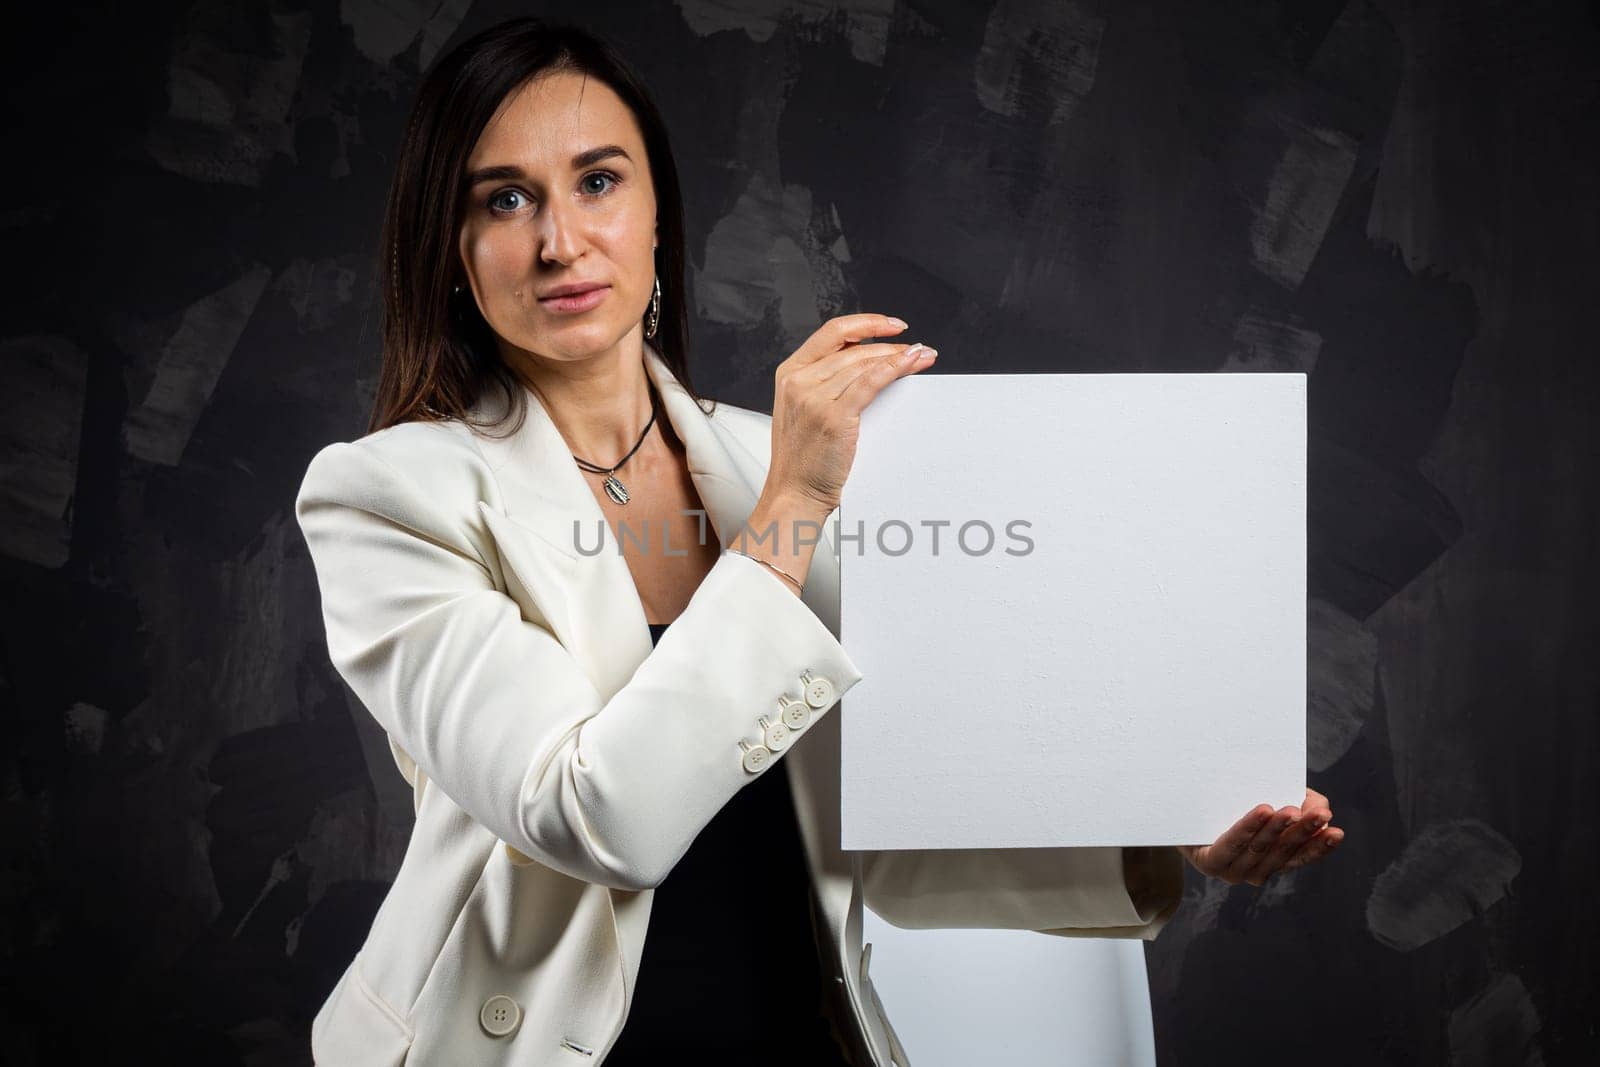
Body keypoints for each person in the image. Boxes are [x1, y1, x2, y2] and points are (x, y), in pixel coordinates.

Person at [294, 17, 1345, 1066]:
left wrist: (1167, 824)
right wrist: (793, 504)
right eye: (504, 198)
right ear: (452, 245)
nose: (560, 240)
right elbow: (589, 816)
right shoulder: (388, 495)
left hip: (797, 1032)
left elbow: (876, 837)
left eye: (599, 181)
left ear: (657, 209)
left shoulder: (771, 457)